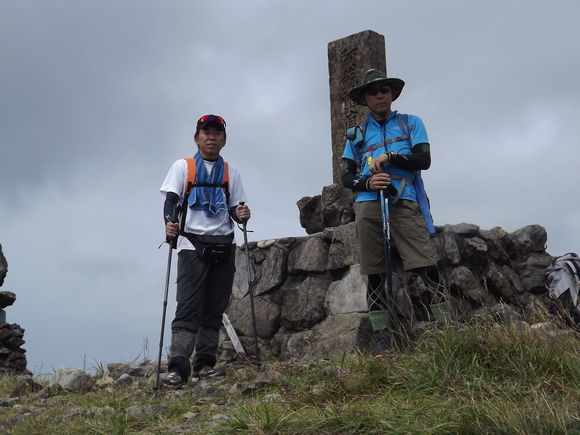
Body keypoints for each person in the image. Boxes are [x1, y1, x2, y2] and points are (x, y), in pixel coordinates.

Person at [341, 69, 450, 361]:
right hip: (367, 202)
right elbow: (345, 177)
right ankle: (382, 339)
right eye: (373, 92)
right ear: (365, 98)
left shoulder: (411, 123)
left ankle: (447, 328)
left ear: (392, 94)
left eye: (385, 90)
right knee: (374, 271)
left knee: (426, 263)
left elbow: (423, 160)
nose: (380, 95)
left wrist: (391, 158)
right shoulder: (356, 135)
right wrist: (366, 182)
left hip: (404, 199)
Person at [159, 114, 251, 388]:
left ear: (224, 139)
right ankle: (178, 368)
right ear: (196, 138)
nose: (211, 137)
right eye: (206, 132)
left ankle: (205, 364)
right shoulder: (183, 167)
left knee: (214, 307)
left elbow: (236, 209)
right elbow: (171, 200)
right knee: (188, 306)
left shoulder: (230, 172)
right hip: (191, 244)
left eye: (217, 133)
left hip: (224, 243)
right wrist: (169, 223)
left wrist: (242, 213)